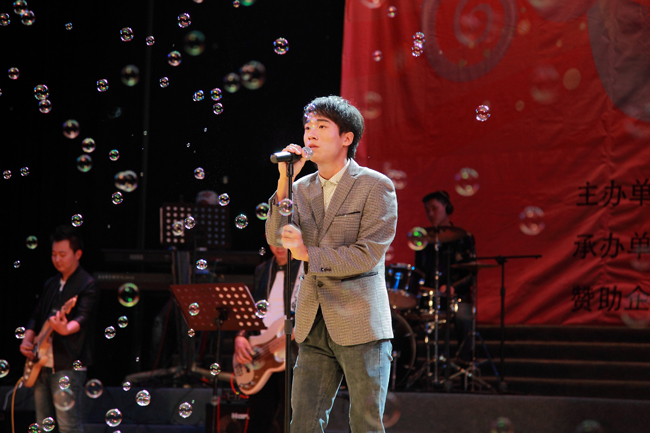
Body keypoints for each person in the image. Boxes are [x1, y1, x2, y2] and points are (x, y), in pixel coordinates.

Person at [266, 95, 398, 432]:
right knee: (303, 423)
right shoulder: (299, 188)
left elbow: (366, 254)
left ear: (346, 137)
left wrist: (308, 253)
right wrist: (284, 180)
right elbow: (276, 238)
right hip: (313, 321)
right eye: (308, 127)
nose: (310, 134)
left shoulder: (375, 186)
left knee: (365, 424)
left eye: (322, 127)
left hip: (361, 323)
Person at [19, 226, 98, 433]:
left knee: (68, 426)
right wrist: (27, 340)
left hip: (68, 364)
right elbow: (37, 316)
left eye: (62, 254)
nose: (57, 259)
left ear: (77, 254)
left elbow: (82, 317)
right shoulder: (51, 283)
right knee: (43, 425)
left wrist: (65, 328)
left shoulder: (87, 283)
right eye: (54, 254)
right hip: (42, 362)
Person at [233, 242, 302, 433]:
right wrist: (241, 336)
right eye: (274, 239)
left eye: (284, 239)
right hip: (260, 352)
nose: (279, 245)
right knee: (259, 419)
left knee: (293, 419)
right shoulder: (263, 269)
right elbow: (253, 308)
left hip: (294, 353)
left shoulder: (307, 266)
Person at [414, 191, 476, 363]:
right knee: (401, 320)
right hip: (429, 298)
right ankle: (406, 368)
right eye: (427, 210)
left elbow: (471, 272)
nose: (430, 214)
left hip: (457, 298)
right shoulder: (424, 240)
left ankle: (464, 366)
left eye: (434, 209)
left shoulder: (463, 238)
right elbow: (419, 272)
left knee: (463, 317)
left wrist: (453, 287)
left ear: (447, 208)